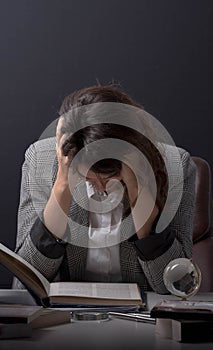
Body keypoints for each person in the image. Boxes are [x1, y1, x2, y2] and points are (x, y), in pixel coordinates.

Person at [13, 85, 196, 294]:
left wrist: (137, 189)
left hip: (145, 318)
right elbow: (25, 281)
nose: (101, 189)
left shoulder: (177, 166)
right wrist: (63, 182)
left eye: (111, 178)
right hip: (65, 317)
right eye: (89, 179)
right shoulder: (41, 160)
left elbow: (177, 285)